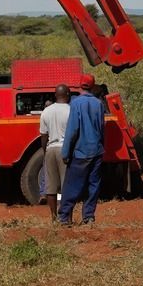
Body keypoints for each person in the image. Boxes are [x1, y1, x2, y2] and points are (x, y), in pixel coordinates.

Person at [58, 81, 105, 226]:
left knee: (72, 185)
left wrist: (65, 152)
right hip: (96, 150)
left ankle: (64, 217)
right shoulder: (99, 104)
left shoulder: (76, 103)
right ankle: (89, 217)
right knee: (93, 185)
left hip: (81, 152)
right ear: (92, 87)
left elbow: (72, 130)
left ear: (80, 86)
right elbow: (102, 128)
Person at [38, 85, 71, 221]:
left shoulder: (46, 111)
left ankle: (53, 217)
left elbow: (43, 135)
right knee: (66, 186)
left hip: (51, 148)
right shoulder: (71, 110)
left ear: (55, 95)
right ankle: (66, 217)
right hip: (65, 149)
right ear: (68, 94)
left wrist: (45, 151)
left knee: (51, 187)